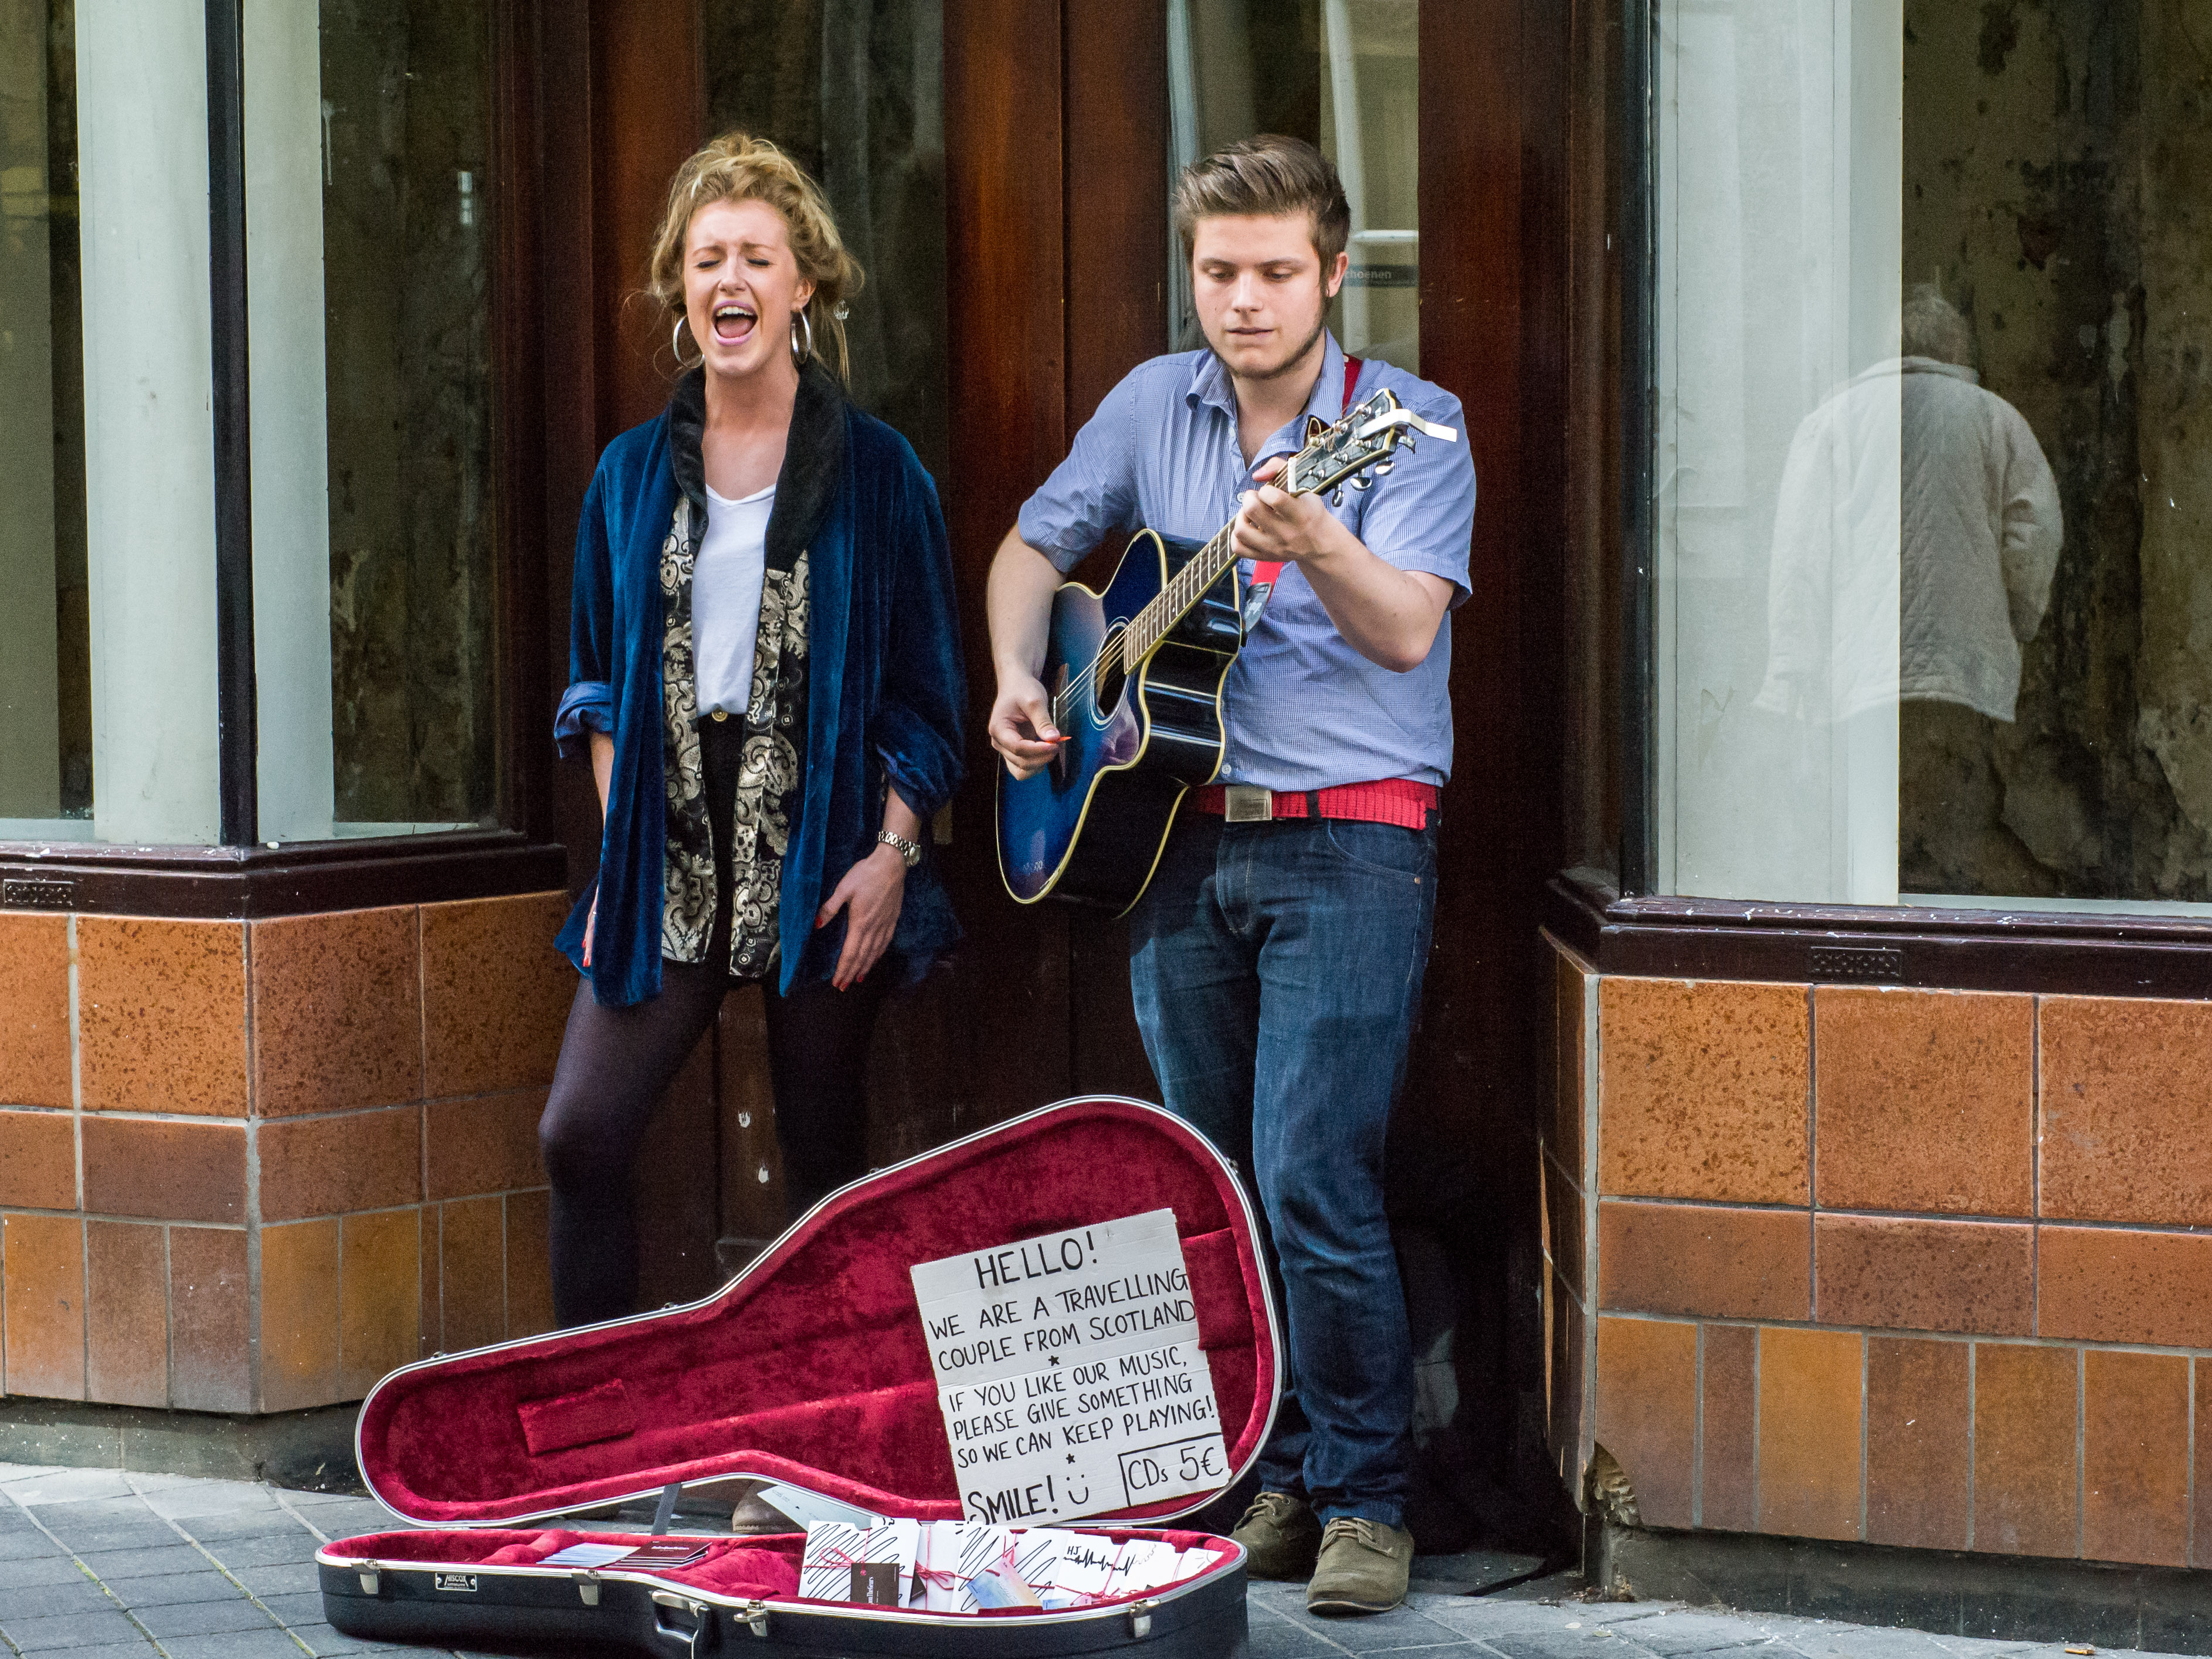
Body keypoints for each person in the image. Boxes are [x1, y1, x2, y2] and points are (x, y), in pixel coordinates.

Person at [985, 135, 1475, 1616]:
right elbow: (1031, 545)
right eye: (1218, 272)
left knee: (1312, 1171)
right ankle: (1275, 1475)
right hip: (1173, 840)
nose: (1244, 300)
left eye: (1274, 273)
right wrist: (1020, 672)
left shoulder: (1411, 422)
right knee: (1217, 1182)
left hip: (1352, 831)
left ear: (1332, 271)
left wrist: (1310, 528)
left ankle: (1368, 1502)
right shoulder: (1152, 402)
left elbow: (1403, 632)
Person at [540, 132, 964, 1329]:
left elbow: (928, 696)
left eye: (756, 258)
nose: (729, 279)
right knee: (581, 1134)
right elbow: (595, 686)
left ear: (804, 286)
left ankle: (828, 1442)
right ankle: (598, 1430)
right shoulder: (629, 476)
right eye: (706, 256)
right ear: (681, 287)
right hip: (666, 834)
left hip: (825, 833)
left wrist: (891, 854)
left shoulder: (881, 474)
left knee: (822, 1162)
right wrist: (631, 829)